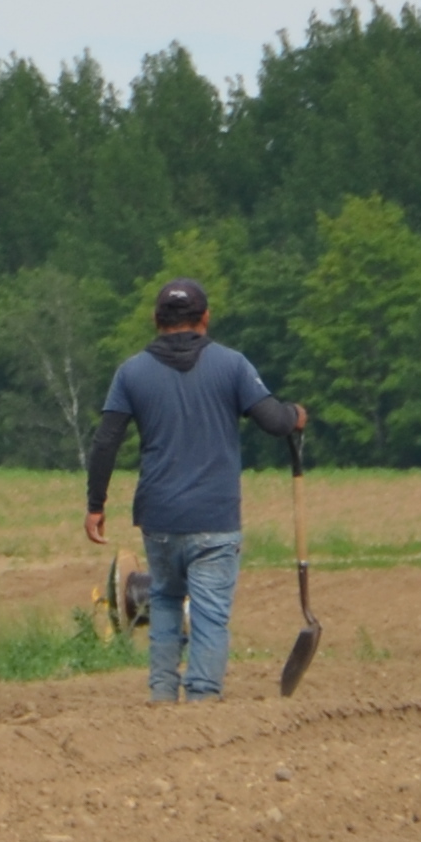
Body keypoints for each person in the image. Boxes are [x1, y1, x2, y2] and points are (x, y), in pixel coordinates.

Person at [82, 277, 307, 703]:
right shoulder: (232, 365)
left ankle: (163, 694)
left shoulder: (131, 372)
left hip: (159, 517)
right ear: (205, 318)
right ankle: (203, 699)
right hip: (215, 517)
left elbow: (105, 441)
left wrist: (96, 505)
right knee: (210, 612)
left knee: (165, 599)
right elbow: (275, 422)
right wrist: (295, 414)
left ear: (156, 320)